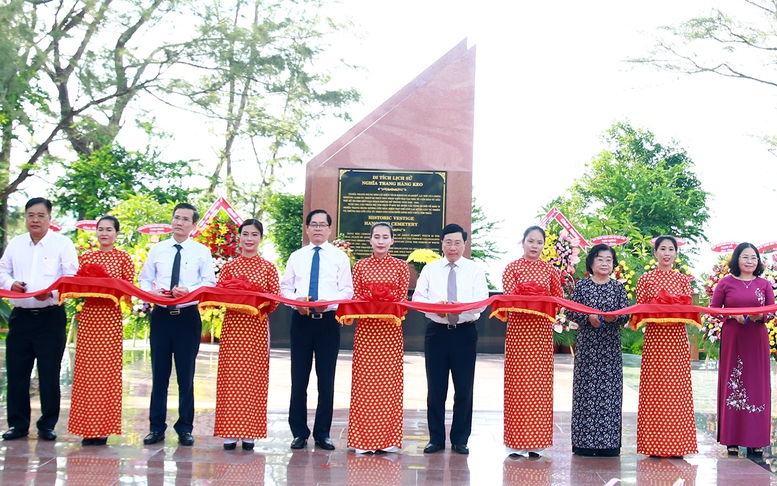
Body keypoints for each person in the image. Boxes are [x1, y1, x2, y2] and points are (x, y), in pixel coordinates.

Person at [0, 197, 79, 442]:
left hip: (50, 317)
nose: (35, 220)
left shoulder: (62, 244)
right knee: (17, 372)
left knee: (49, 373)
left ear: (49, 219)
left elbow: (71, 276)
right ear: (25, 217)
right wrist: (10, 283)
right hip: (21, 318)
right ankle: (18, 424)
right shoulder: (16, 244)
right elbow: (2, 270)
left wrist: (53, 292)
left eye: (40, 215)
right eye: (30, 215)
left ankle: (47, 424)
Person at [139, 203, 216, 446]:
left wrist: (189, 292)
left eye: (185, 219)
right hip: (161, 316)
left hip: (187, 317)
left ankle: (185, 427)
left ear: (193, 225)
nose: (179, 223)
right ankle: (156, 427)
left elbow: (209, 283)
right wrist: (152, 294)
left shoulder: (201, 251)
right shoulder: (158, 249)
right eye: (176, 218)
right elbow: (143, 279)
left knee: (186, 375)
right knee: (159, 375)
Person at [412, 223, 488, 455]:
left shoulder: (474, 270)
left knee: (464, 388)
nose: (452, 247)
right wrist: (438, 310)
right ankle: (435, 438)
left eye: (457, 243)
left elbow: (481, 301)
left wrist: (459, 309)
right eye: (448, 242)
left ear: (464, 244)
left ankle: (460, 439)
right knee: (436, 388)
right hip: (437, 331)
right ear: (441, 244)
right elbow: (418, 298)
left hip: (465, 332)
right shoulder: (430, 270)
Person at [280, 209, 353, 450]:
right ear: (307, 228)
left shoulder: (340, 258)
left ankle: (323, 433)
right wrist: (296, 302)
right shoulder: (296, 256)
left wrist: (328, 302)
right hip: (300, 321)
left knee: (326, 379)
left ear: (330, 230)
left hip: (327, 323)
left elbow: (346, 291)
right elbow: (285, 289)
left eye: (323, 225)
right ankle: (299, 432)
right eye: (314, 224)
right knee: (298, 378)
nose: (318, 228)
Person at [213, 219, 280, 451]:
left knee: (254, 378)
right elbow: (219, 295)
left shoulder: (268, 267)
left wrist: (258, 305)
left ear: (261, 239)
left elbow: (275, 298)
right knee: (232, 378)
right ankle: (229, 432)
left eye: (254, 234)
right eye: (245, 234)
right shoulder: (229, 267)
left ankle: (250, 431)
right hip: (233, 328)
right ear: (239, 237)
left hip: (256, 328)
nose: (249, 239)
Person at [69, 215, 135, 446]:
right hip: (89, 319)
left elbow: (129, 289)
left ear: (117, 234)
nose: (104, 233)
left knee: (107, 374)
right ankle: (86, 427)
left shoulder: (123, 258)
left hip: (109, 320)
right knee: (87, 373)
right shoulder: (86, 257)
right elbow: (77, 286)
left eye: (109, 229)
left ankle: (104, 427)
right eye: (100, 229)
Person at [347, 222, 410, 454]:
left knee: (388, 384)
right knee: (365, 384)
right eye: (376, 236)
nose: (381, 241)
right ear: (370, 240)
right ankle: (363, 440)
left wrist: (381, 298)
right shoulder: (361, 266)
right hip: (366, 332)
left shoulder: (401, 267)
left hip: (390, 332)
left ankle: (388, 439)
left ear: (392, 240)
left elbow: (401, 299)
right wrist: (371, 298)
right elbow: (355, 296)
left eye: (385, 237)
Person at [501, 225, 563, 458]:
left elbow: (558, 298)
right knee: (518, 385)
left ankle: (537, 442)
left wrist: (541, 299)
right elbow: (510, 296)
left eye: (539, 242)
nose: (534, 246)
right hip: (518, 333)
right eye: (531, 241)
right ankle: (515, 442)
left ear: (543, 245)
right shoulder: (512, 268)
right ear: (523, 242)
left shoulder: (550, 270)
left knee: (539, 387)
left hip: (540, 334)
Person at [634, 235, 697, 457]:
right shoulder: (645, 279)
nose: (667, 253)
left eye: (671, 249)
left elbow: (689, 309)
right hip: (655, 340)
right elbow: (639, 309)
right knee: (655, 389)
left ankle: (677, 445)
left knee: (676, 390)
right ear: (656, 252)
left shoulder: (682, 280)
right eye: (663, 248)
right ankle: (653, 445)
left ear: (676, 254)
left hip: (677, 341)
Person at [710, 242, 773, 457]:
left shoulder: (764, 284)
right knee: (734, 383)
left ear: (758, 261)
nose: (749, 261)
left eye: (753, 258)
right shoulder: (725, 283)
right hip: (733, 338)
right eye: (745, 257)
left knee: (757, 384)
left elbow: (772, 311)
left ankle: (756, 438)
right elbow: (714, 310)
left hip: (756, 338)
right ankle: (732, 438)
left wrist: (760, 316)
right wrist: (730, 315)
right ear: (737, 259)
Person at [566, 244, 630, 456]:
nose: (604, 263)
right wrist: (588, 318)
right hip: (587, 349)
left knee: (610, 395)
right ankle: (583, 444)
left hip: (610, 349)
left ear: (613, 265)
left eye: (609, 260)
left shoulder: (618, 288)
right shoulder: (582, 286)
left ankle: (609, 445)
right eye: (600, 259)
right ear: (591, 262)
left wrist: (616, 317)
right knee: (585, 394)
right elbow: (571, 312)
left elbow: (626, 315)